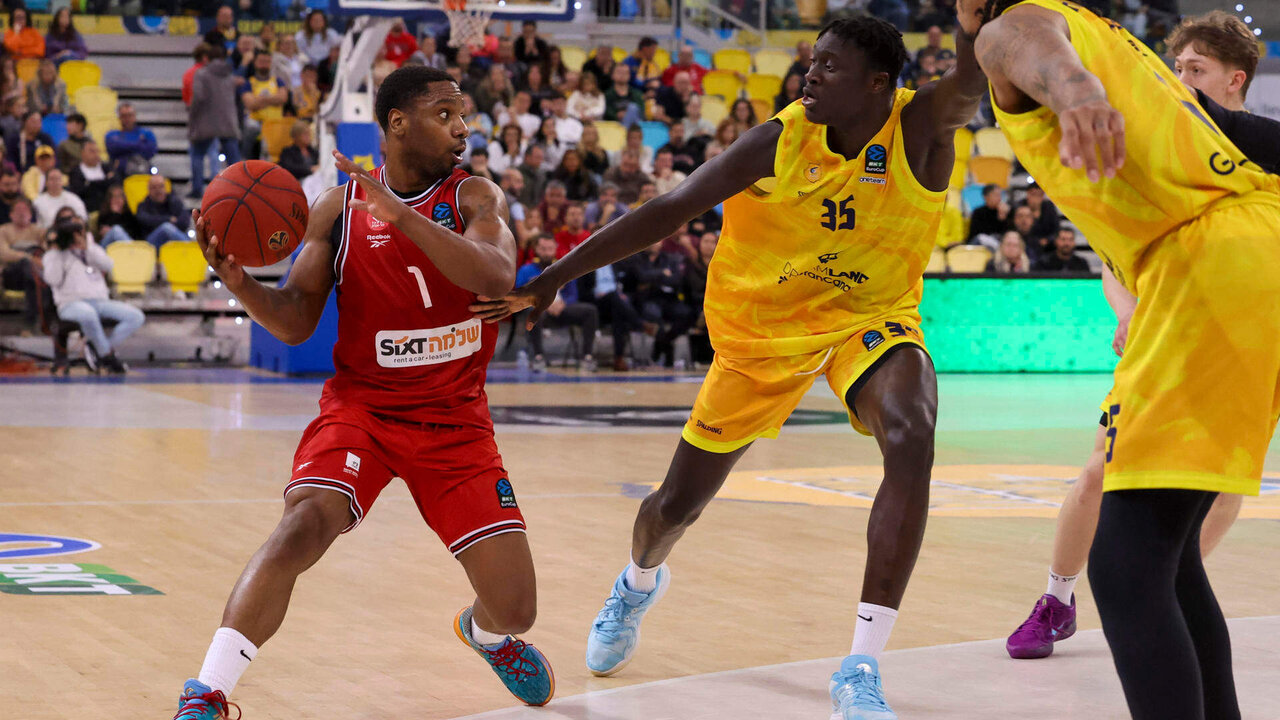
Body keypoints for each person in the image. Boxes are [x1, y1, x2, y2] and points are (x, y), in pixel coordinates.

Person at [472, 16, 987, 718]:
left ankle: (861, 666)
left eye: (830, 66)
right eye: (812, 59)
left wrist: (969, 26)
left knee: (912, 431)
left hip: (867, 320)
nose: (810, 73)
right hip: (758, 334)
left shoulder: (918, 129)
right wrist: (555, 275)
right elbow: (673, 207)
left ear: (877, 84)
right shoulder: (778, 138)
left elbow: (968, 86)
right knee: (671, 508)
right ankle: (636, 583)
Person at [171, 65, 553, 720]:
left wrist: (401, 217)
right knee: (300, 528)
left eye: (462, 114)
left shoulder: (473, 198)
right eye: (444, 113)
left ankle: (484, 634)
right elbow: (294, 319)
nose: (462, 126)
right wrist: (242, 285)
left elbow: (493, 274)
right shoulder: (338, 209)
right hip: (364, 411)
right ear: (397, 124)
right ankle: (207, 694)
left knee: (518, 608)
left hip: (455, 423)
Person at [968, 2, 1280, 719]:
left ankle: (1059, 600)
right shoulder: (1117, 42)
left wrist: (1073, 92)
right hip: (1238, 257)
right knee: (1169, 563)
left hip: (1210, 263)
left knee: (1127, 567)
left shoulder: (1015, 24)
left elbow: (1022, 37)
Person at [42, 217, 142, 374]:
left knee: (136, 316)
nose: (75, 237)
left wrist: (86, 248)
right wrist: (59, 252)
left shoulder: (91, 248)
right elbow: (53, 279)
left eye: (78, 232)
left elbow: (108, 265)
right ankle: (106, 355)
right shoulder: (53, 255)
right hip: (69, 303)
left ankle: (97, 348)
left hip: (99, 301)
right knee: (88, 314)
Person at [189, 44, 244, 199]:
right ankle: (241, 188)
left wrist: (192, 116)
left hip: (206, 121)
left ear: (208, 57)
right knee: (234, 160)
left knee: (197, 155)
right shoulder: (229, 74)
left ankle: (197, 189)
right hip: (228, 122)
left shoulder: (201, 74)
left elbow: (198, 97)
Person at [0, 196, 47, 332]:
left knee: (32, 276)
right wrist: (29, 257)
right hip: (11, 274)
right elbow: (4, 254)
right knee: (29, 268)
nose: (22, 213)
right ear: (11, 214)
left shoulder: (39, 231)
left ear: (31, 214)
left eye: (25, 210)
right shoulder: (3, 230)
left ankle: (31, 321)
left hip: (32, 275)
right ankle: (39, 321)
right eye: (18, 210)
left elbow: (47, 252)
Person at [241, 50, 288, 160]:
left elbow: (283, 98)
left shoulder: (278, 81)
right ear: (255, 63)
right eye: (261, 61)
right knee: (251, 127)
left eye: (267, 62)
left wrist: (260, 99)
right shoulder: (249, 83)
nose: (264, 64)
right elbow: (251, 104)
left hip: (276, 123)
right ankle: (245, 160)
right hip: (258, 124)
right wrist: (273, 99)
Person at [104, 103, 158, 177]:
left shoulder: (147, 133)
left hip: (143, 171)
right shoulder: (111, 134)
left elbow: (151, 151)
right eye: (124, 116)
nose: (127, 119)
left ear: (135, 116)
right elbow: (112, 148)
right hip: (119, 174)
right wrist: (139, 144)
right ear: (119, 117)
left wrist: (122, 148)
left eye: (130, 115)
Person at [136, 175, 191, 248]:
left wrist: (165, 222)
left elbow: (185, 221)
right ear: (149, 190)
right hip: (151, 245)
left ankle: (190, 248)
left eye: (161, 186)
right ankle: (190, 248)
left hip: (173, 241)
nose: (158, 190)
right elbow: (146, 221)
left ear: (165, 187)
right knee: (166, 228)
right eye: (154, 187)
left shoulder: (174, 201)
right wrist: (169, 219)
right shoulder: (142, 206)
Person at [603, 63, 644, 127]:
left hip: (634, 126)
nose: (622, 75)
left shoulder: (637, 94)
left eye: (625, 73)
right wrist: (616, 115)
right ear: (612, 75)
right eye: (619, 72)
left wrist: (627, 115)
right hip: (614, 127)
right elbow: (606, 112)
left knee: (633, 108)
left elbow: (641, 111)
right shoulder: (607, 95)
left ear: (629, 76)